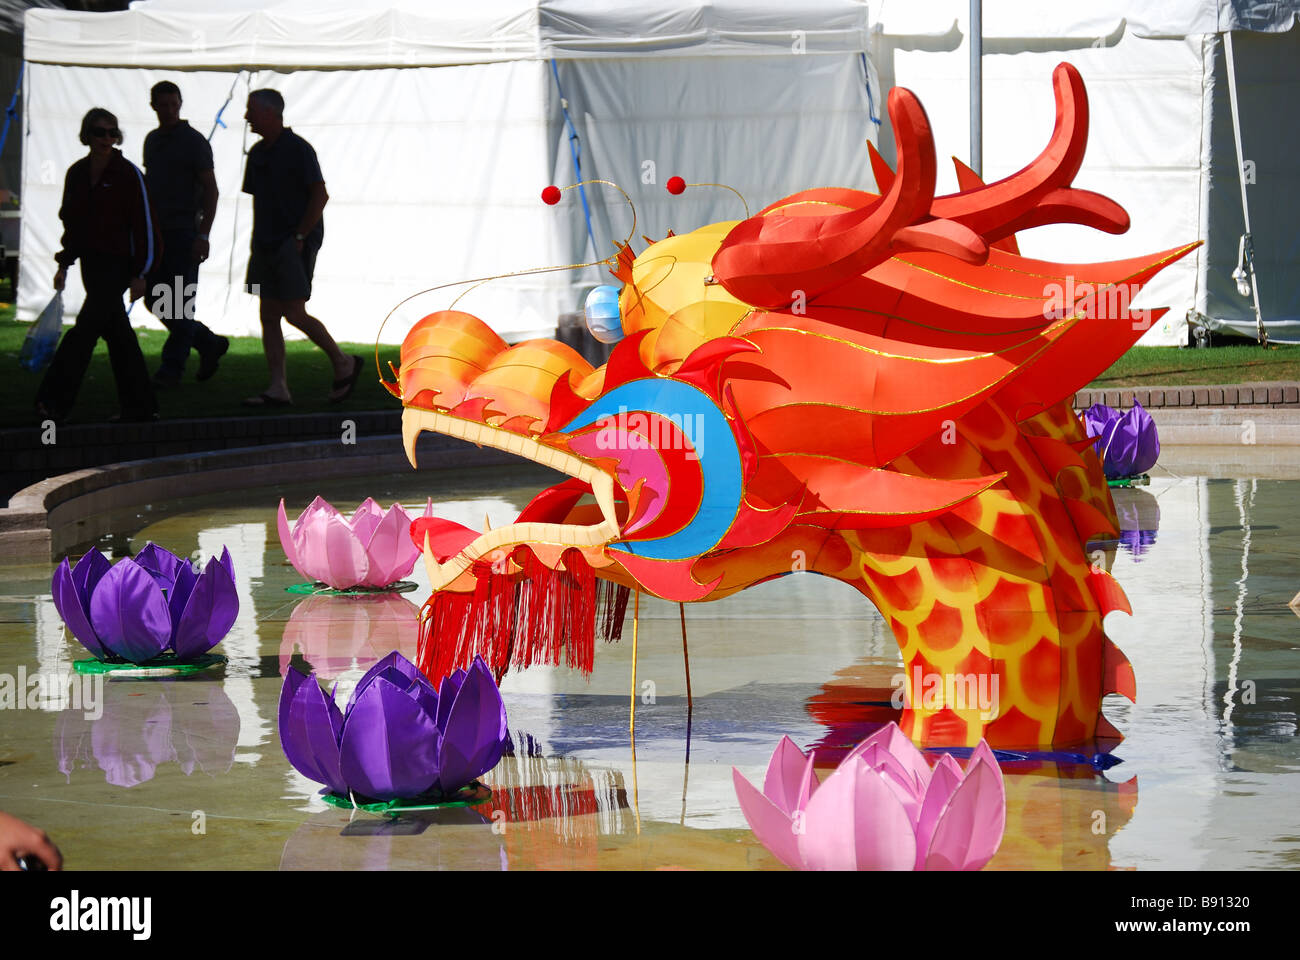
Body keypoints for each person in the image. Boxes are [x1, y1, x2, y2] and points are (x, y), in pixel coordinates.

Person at [35, 108, 160, 423]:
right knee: (119, 336)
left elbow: (144, 226)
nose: (106, 138)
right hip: (92, 263)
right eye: (99, 132)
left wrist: (140, 273)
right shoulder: (77, 173)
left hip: (118, 264)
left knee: (84, 332)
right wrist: (65, 263)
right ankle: (141, 407)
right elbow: (73, 222)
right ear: (87, 135)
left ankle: (53, 401)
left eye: (112, 132)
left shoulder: (128, 174)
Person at [240, 89, 360, 407]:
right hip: (264, 244)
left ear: (271, 113)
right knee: (267, 314)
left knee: (293, 312)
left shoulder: (298, 149)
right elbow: (260, 202)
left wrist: (300, 237)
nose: (246, 117)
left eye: (251, 110)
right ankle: (278, 388)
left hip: (291, 243)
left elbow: (320, 195)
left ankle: (343, 361)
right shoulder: (256, 154)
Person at [142, 80, 228, 387]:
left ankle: (172, 368)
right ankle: (207, 342)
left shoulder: (194, 142)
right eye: (162, 105)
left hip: (184, 231)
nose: (168, 110)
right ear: (153, 106)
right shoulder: (151, 141)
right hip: (157, 234)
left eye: (172, 104)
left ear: (179, 105)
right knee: (154, 299)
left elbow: (212, 190)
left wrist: (203, 235)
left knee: (178, 301)